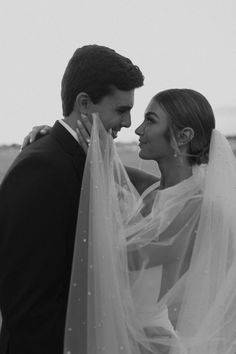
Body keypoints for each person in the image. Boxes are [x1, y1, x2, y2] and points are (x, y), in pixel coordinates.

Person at [67, 88, 236, 353]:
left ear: (183, 136)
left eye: (151, 120)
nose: (138, 130)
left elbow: (129, 257)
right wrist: (55, 134)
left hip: (155, 345)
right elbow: (105, 164)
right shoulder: (149, 189)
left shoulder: (199, 206)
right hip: (121, 338)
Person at [0, 45, 144, 354]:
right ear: (84, 103)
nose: (130, 123)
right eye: (121, 110)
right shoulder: (42, 168)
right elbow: (29, 308)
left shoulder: (87, 163)